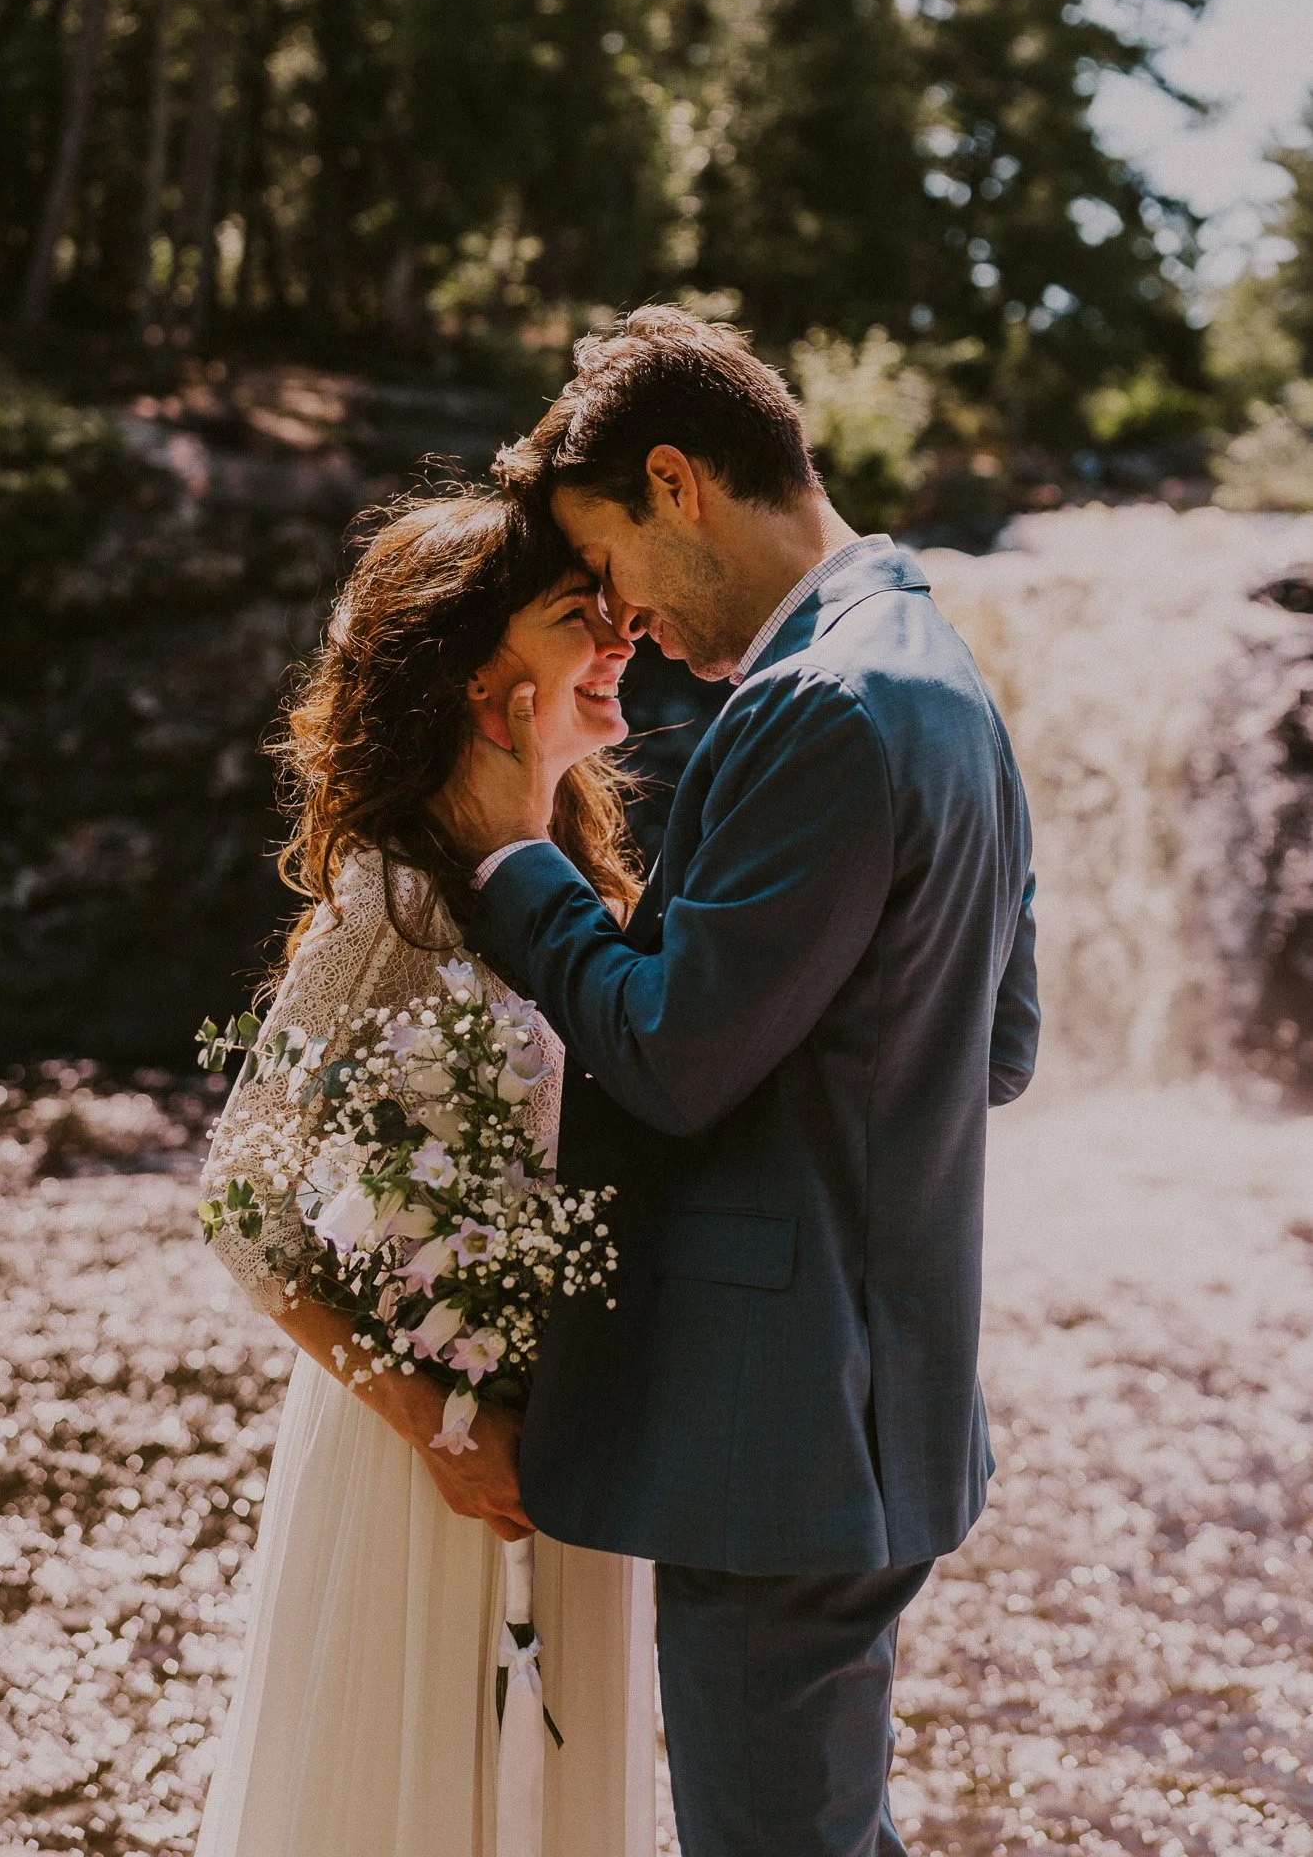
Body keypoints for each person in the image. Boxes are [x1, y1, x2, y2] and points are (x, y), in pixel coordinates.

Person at [440, 305, 1040, 1857]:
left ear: (674, 484)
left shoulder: (817, 707)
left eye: (612, 562)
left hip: (781, 1423)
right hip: (870, 1392)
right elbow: (999, 1040)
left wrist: (514, 859)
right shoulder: (937, 675)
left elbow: (672, 1056)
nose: (624, 620)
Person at [194, 495, 657, 1857]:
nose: (622, 638)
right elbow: (238, 1199)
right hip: (425, 1466)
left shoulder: (594, 897)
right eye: (582, 618)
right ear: (480, 677)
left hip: (577, 1444)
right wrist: (437, 1426)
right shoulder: (391, 904)